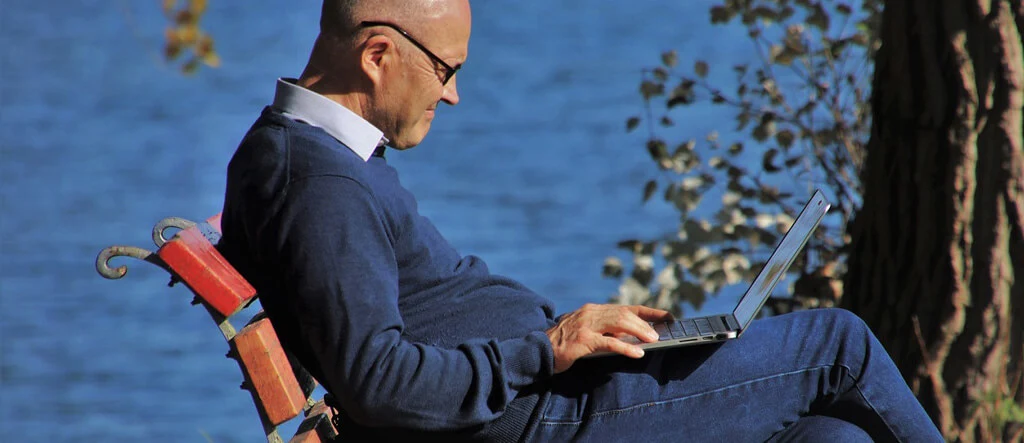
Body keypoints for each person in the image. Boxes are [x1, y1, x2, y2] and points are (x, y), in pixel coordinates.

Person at [219, 0, 943, 441]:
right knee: (839, 342)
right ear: (378, 55)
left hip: (544, 402)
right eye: (447, 70)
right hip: (541, 422)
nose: (456, 94)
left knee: (831, 436)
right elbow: (379, 381)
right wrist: (550, 347)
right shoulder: (318, 182)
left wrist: (566, 341)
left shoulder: (307, 156)